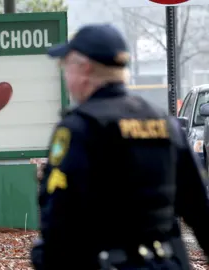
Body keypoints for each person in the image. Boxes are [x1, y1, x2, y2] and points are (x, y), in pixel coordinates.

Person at [30, 23, 209, 270]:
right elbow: (200, 210)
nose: (65, 76)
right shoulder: (164, 124)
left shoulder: (80, 129)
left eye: (66, 67)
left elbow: (59, 217)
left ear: (84, 69)